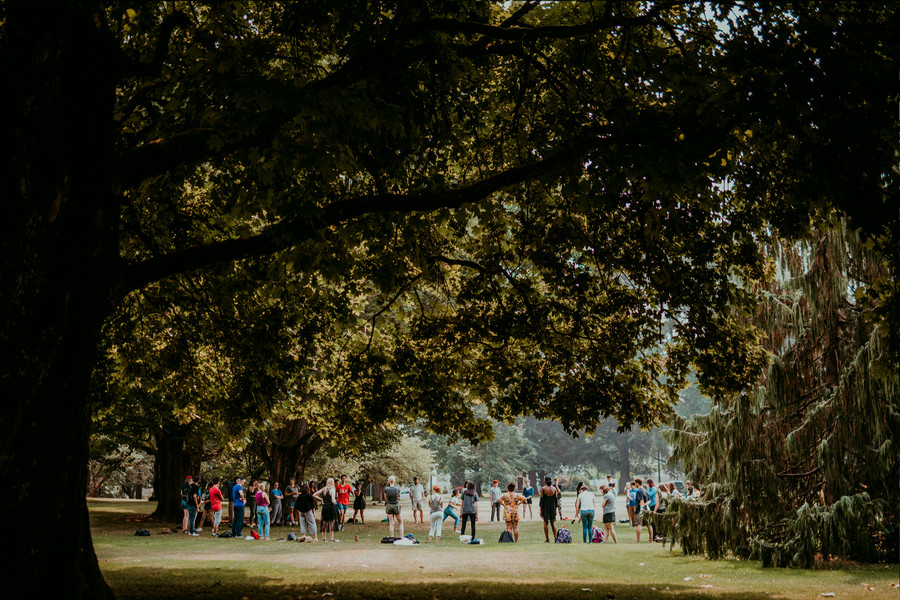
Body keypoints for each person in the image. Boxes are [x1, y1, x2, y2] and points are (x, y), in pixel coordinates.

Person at [314, 477, 339, 542]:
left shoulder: (323, 489)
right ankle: (331, 538)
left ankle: (324, 538)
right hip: (331, 507)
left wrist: (321, 499)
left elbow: (314, 494)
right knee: (331, 523)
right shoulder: (332, 490)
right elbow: (333, 500)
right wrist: (335, 501)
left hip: (325, 507)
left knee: (324, 523)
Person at [539, 476, 558, 543]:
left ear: (545, 481)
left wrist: (540, 510)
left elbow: (542, 500)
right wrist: (555, 510)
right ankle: (556, 539)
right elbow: (556, 501)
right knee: (553, 523)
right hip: (552, 507)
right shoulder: (554, 489)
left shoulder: (543, 489)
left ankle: (547, 539)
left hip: (545, 507)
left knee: (545, 523)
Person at [633, 478, 650, 543]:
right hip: (646, 510)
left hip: (640, 510)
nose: (634, 484)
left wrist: (641, 506)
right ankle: (651, 539)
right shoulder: (645, 490)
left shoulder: (639, 491)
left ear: (637, 483)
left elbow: (641, 501)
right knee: (649, 525)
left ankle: (638, 540)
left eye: (635, 483)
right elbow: (649, 501)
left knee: (638, 524)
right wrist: (645, 505)